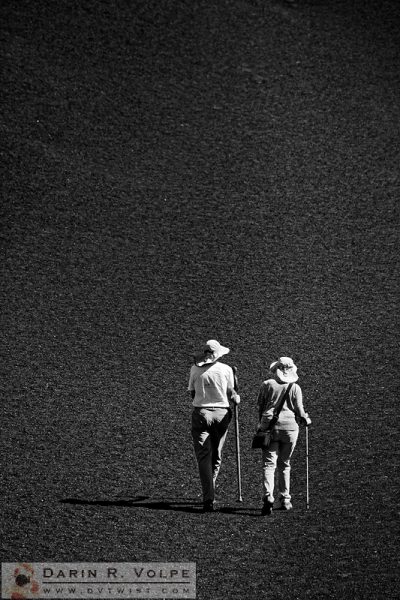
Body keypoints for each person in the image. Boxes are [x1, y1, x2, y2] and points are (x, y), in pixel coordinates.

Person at [188, 339, 240, 512]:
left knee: (203, 456)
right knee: (216, 454)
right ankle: (211, 488)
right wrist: (235, 396)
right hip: (222, 414)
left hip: (201, 414)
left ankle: (208, 496)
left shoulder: (195, 369)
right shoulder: (226, 370)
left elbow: (192, 393)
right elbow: (231, 392)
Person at [256, 357, 311, 516]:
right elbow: (300, 411)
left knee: (269, 463)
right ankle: (285, 498)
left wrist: (261, 425)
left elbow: (261, 406)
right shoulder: (295, 387)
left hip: (270, 426)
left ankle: (268, 496)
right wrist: (305, 419)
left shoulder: (267, 385)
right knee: (284, 463)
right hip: (290, 428)